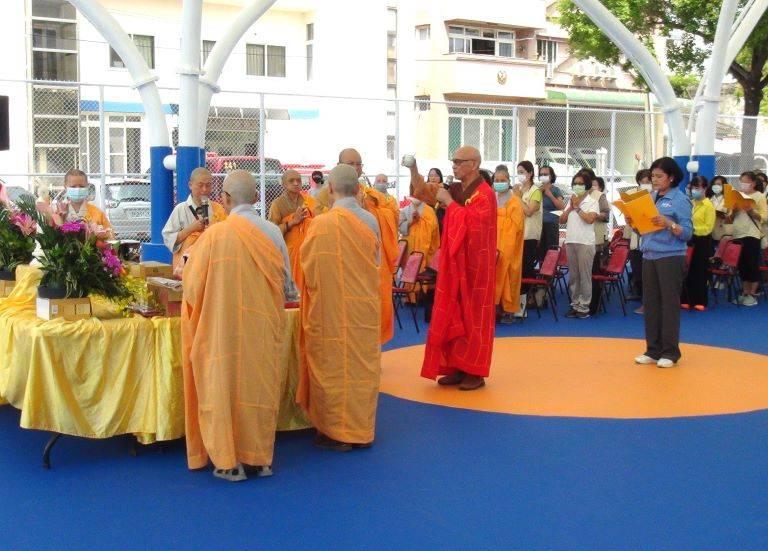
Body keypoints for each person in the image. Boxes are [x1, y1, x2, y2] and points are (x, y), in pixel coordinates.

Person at [181, 170, 296, 482]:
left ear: (225, 200)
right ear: (257, 198)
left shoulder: (214, 236)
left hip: (223, 330)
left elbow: (191, 287)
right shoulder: (272, 232)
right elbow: (288, 287)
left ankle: (227, 461)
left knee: (223, 387)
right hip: (262, 328)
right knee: (258, 388)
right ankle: (258, 459)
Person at [297, 164, 382, 451]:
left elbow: (308, 266)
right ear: (358, 189)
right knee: (360, 367)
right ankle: (359, 429)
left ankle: (336, 430)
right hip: (363, 306)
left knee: (333, 364)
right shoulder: (370, 220)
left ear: (329, 189)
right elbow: (377, 261)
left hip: (331, 307)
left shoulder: (322, 224)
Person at [421, 146, 497, 391]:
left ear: (473, 164)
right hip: (457, 263)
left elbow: (475, 227)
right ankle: (456, 365)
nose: (453, 165)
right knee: (455, 311)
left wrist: (451, 205)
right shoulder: (457, 189)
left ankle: (474, 371)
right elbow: (423, 194)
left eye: (458, 161)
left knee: (475, 316)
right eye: (452, 161)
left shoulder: (485, 194)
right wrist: (413, 169)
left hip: (477, 267)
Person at [632, 157, 692, 369]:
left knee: (669, 304)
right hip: (649, 254)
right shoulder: (651, 197)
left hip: (670, 256)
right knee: (651, 304)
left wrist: (669, 223)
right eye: (653, 176)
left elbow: (687, 233)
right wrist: (634, 222)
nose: (655, 180)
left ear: (671, 177)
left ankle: (670, 352)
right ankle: (653, 349)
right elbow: (644, 228)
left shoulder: (680, 200)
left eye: (659, 176)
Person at [338, 148, 399, 344]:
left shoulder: (371, 195)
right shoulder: (329, 192)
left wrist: (369, 210)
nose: (355, 168)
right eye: (350, 164)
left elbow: (392, 215)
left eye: (358, 164)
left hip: (370, 259)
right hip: (343, 258)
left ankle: (371, 352)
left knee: (373, 307)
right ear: (339, 166)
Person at [162, 167, 227, 272]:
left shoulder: (218, 209)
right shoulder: (181, 209)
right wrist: (191, 229)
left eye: (208, 185)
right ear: (190, 185)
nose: (204, 189)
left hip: (212, 265)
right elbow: (169, 239)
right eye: (200, 185)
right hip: (188, 267)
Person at [268, 169, 318, 288]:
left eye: (298, 180)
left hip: (308, 251)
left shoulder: (309, 201)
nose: (296, 183)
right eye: (291, 181)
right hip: (288, 253)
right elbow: (272, 233)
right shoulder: (277, 205)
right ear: (284, 184)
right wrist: (291, 222)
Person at [560, 174, 601, 318]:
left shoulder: (592, 202)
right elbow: (561, 220)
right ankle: (575, 303)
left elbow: (590, 219)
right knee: (574, 276)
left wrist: (577, 208)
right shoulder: (571, 200)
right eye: (575, 183)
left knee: (584, 276)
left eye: (580, 183)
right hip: (571, 241)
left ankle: (584, 306)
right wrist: (570, 207)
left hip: (585, 243)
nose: (577, 186)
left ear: (587, 186)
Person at [728, 171, 767, 306]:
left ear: (753, 183)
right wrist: (733, 210)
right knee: (742, 265)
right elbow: (730, 218)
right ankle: (744, 292)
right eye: (741, 181)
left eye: (746, 181)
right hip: (738, 233)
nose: (743, 184)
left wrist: (751, 211)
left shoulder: (759, 196)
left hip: (752, 234)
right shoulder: (737, 196)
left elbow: (765, 217)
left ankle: (752, 293)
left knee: (751, 264)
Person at [493, 166, 524, 324]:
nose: (499, 183)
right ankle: (494, 308)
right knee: (494, 277)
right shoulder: (492, 199)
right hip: (493, 246)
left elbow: (515, 225)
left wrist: (500, 215)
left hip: (510, 246)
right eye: (496, 180)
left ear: (508, 181)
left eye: (502, 180)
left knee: (510, 275)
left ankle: (509, 310)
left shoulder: (515, 202)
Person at [682, 176, 715, 311]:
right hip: (689, 240)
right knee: (687, 270)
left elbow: (708, 227)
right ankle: (685, 299)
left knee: (700, 271)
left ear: (705, 189)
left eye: (697, 188)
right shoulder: (691, 203)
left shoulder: (709, 206)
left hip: (702, 241)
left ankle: (700, 300)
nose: (695, 191)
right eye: (693, 188)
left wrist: (693, 229)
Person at [518, 161, 542, 307]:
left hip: (530, 235)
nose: (520, 175)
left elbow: (529, 211)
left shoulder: (535, 191)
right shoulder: (520, 190)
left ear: (530, 173)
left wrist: (518, 197)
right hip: (518, 234)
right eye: (518, 172)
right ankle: (520, 297)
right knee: (519, 268)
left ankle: (527, 298)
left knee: (527, 268)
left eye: (522, 172)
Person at [626, 169, 652, 303]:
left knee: (648, 270)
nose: (645, 184)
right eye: (643, 182)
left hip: (650, 238)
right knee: (636, 267)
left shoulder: (655, 197)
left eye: (648, 182)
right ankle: (639, 292)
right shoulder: (632, 195)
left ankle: (648, 297)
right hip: (636, 237)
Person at [398, 188, 440, 273]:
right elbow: (400, 228)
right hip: (409, 246)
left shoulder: (430, 211)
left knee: (423, 273)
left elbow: (435, 231)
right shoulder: (405, 210)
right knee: (409, 273)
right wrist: (412, 222)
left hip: (426, 247)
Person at [587, 175, 611, 315]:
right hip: (584, 239)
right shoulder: (581, 196)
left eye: (594, 185)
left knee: (595, 272)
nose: (592, 187)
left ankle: (595, 304)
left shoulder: (600, 197)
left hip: (597, 240)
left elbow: (606, 216)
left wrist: (595, 215)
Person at [537, 165, 565, 261]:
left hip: (551, 225)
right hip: (539, 225)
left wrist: (550, 195)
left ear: (551, 176)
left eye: (545, 174)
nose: (543, 176)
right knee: (540, 254)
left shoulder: (556, 190)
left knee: (551, 253)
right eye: (541, 174)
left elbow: (561, 207)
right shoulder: (537, 190)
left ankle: (549, 275)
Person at [709, 175, 732, 251]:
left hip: (723, 232)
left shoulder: (728, 199)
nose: (716, 186)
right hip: (710, 231)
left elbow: (731, 216)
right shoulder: (709, 199)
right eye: (714, 184)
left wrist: (723, 215)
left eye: (719, 184)